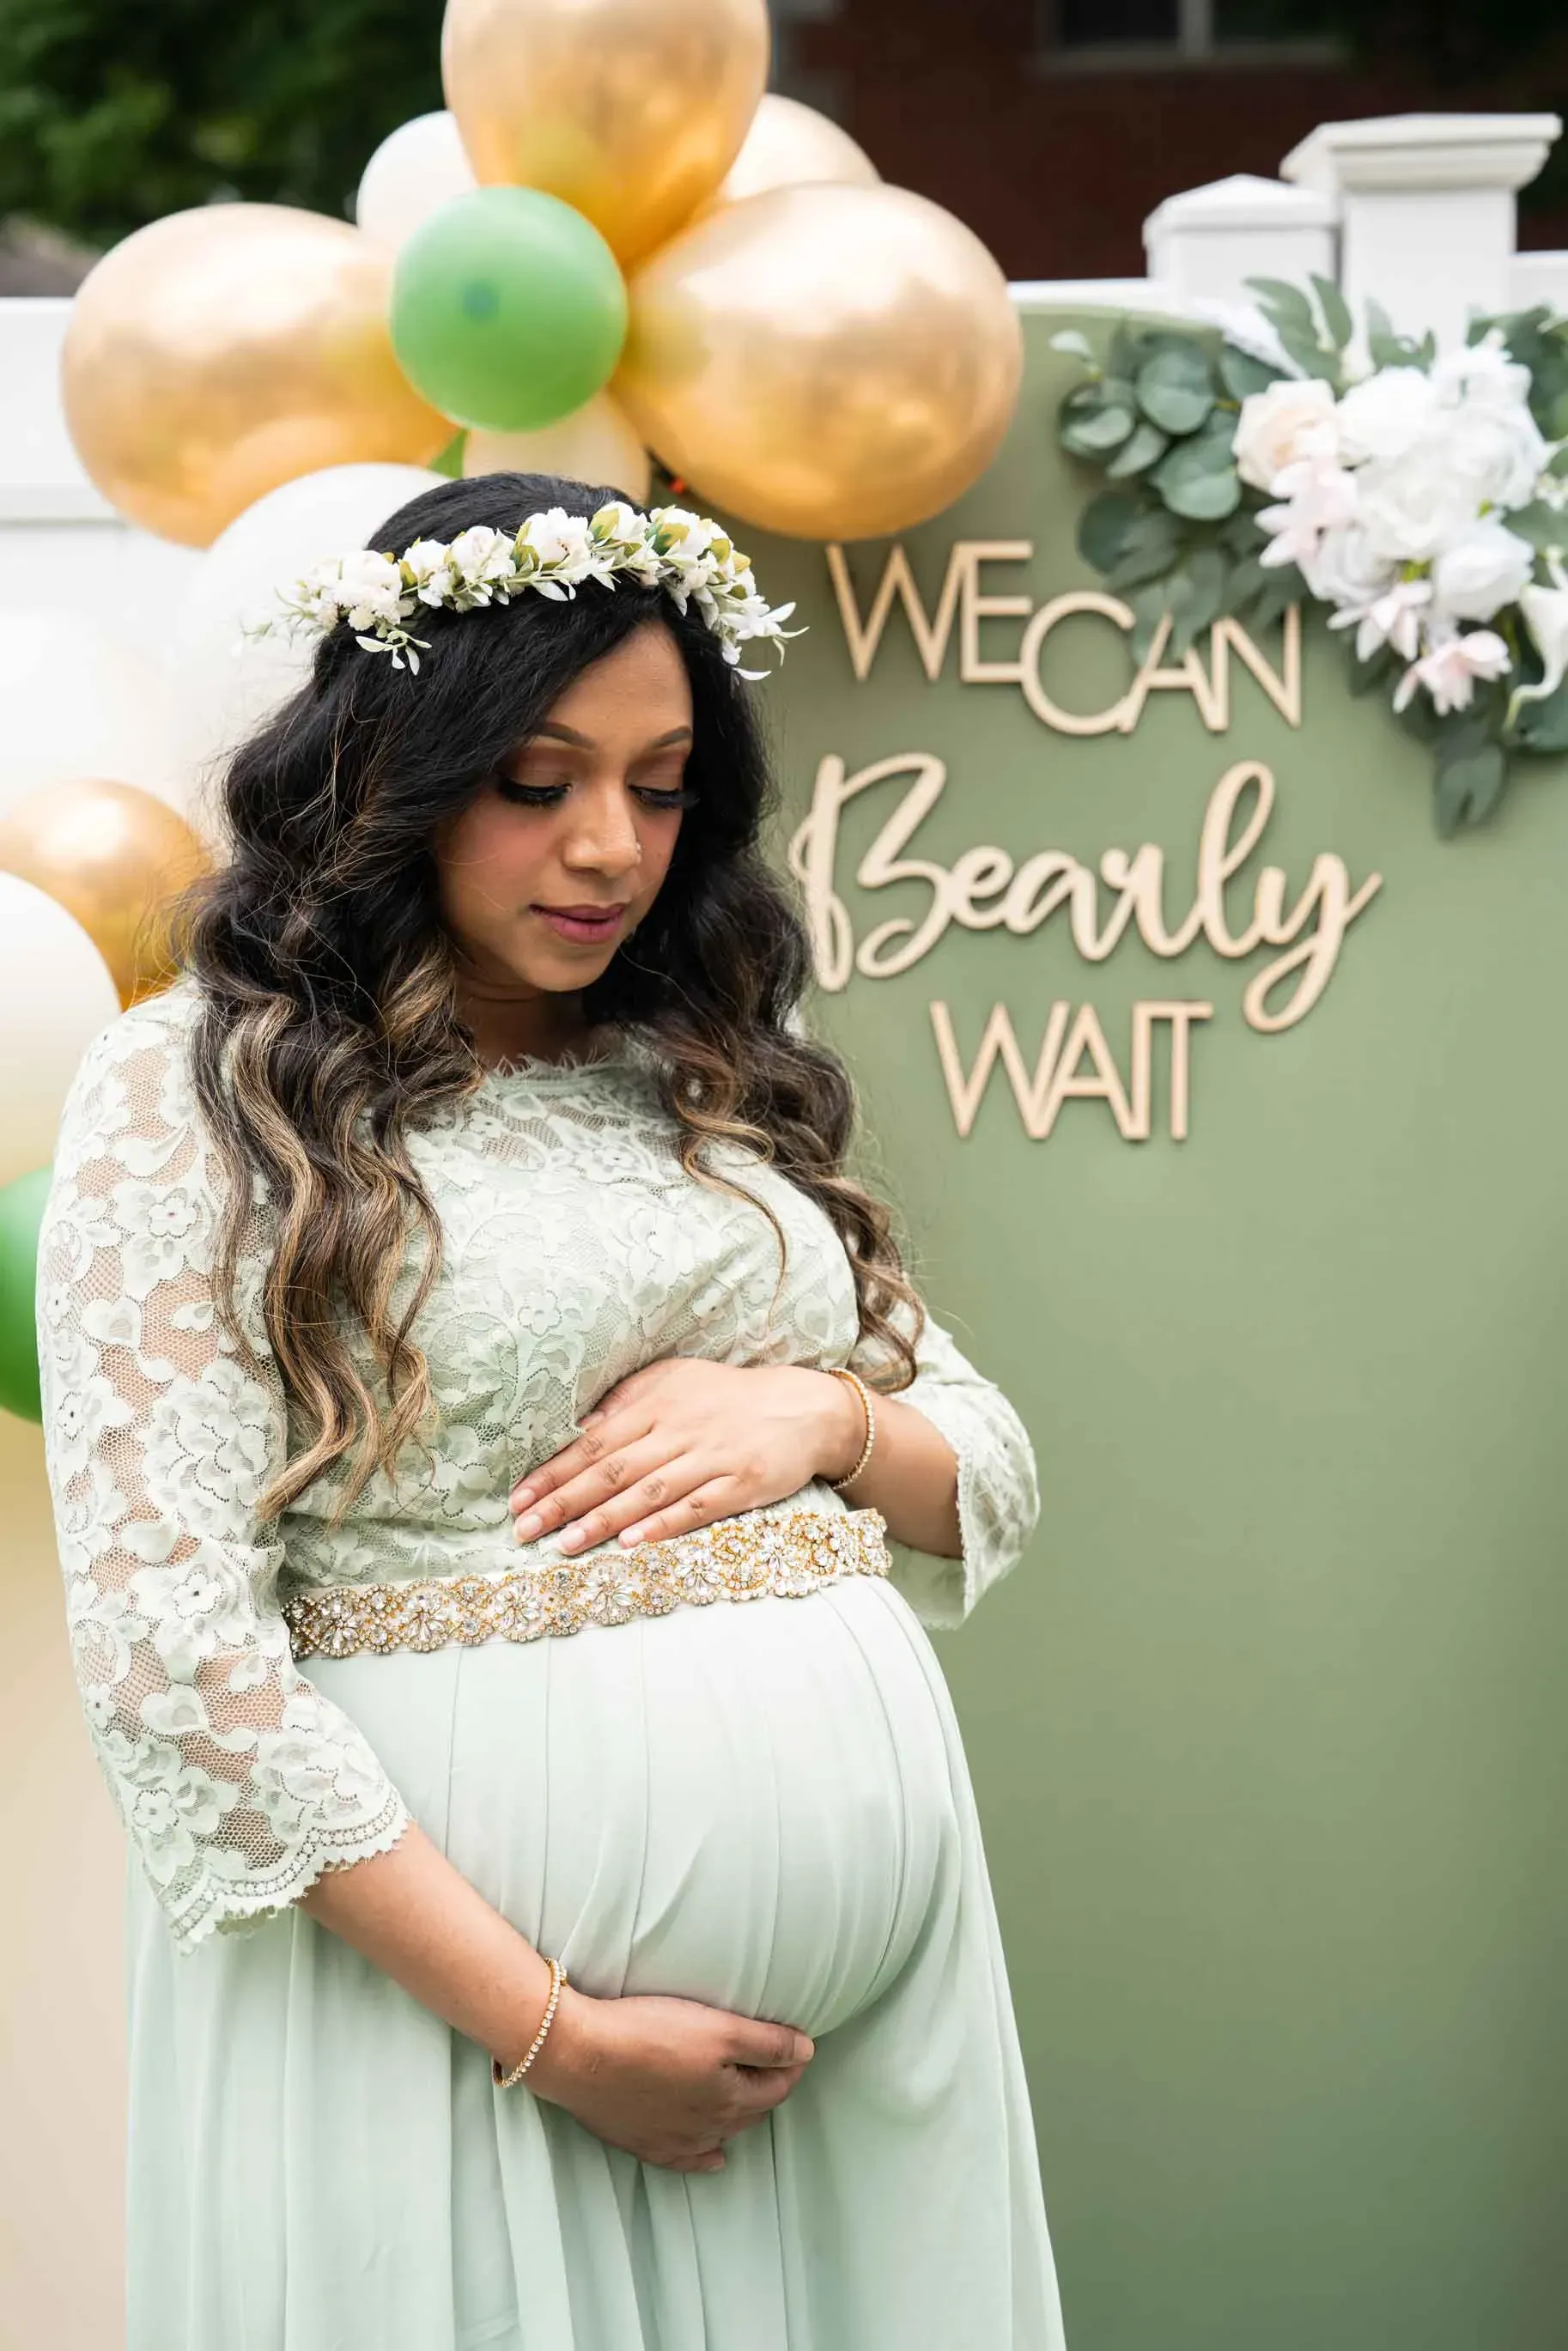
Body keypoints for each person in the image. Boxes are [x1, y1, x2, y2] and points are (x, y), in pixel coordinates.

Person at [37, 472, 1067, 2351]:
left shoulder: (721, 1070)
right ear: (392, 770)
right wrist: (554, 2033)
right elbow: (176, 1658)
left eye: (661, 782)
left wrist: (814, 1420)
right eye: (537, 778)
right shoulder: (201, 1089)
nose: (611, 845)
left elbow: (979, 1454)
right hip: (458, 2042)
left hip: (855, 2060)